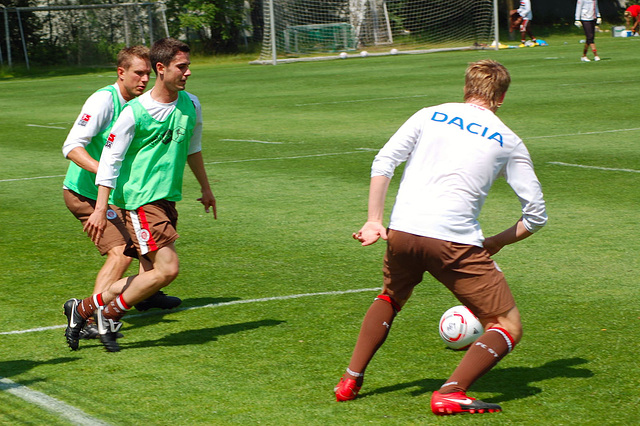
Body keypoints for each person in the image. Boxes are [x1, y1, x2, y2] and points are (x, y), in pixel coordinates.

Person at [333, 59, 547, 416]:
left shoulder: (429, 114)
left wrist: (374, 220)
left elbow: (384, 161)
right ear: (502, 97)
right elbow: (536, 216)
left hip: (402, 232)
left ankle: (350, 380)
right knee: (507, 325)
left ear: (466, 88)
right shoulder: (509, 140)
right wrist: (495, 242)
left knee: (391, 296)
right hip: (454, 242)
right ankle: (451, 391)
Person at [63, 37, 217, 352]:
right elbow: (107, 160)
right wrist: (100, 207)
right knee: (164, 267)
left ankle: (82, 309)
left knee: (151, 272)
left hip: (166, 200)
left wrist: (205, 188)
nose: (188, 73)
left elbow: (193, 148)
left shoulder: (192, 104)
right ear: (163, 69)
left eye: (189, 66)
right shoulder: (131, 111)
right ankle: (108, 313)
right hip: (138, 201)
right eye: (181, 67)